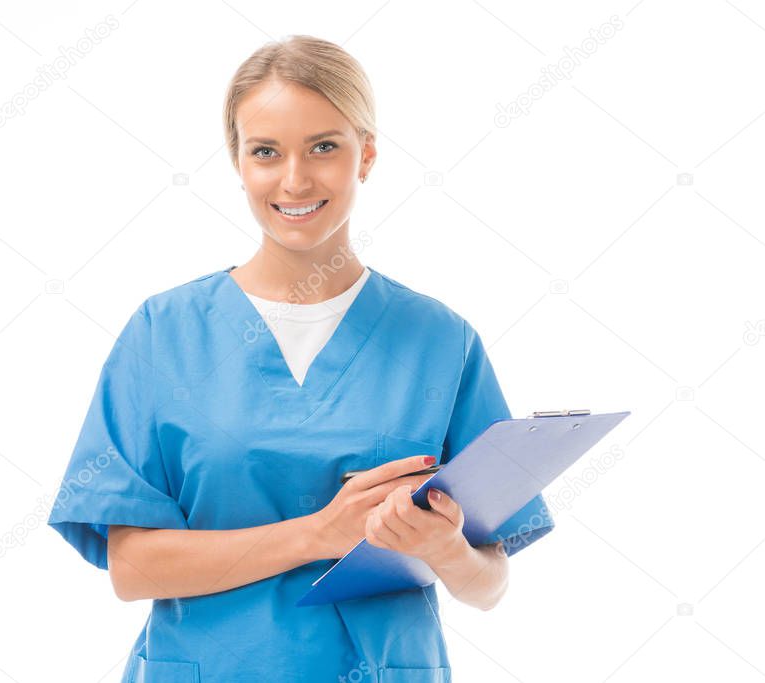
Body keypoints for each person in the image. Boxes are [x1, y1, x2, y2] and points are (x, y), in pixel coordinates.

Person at [48, 34, 553, 683]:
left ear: (364, 155)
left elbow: (488, 583)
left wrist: (445, 547)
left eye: (323, 147)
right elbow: (131, 567)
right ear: (237, 159)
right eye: (265, 151)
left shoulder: (439, 341)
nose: (294, 179)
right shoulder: (162, 334)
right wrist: (319, 533)